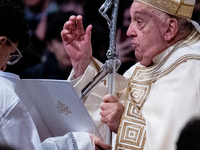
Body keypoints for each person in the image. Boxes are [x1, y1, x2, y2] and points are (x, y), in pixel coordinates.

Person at [61, 0, 200, 149]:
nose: (129, 31)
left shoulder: (191, 72)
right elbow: (106, 114)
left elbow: (180, 143)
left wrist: (124, 123)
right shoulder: (151, 61)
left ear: (170, 28)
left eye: (139, 21)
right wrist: (83, 64)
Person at [0, 0, 111, 149]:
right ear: (2, 42)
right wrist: (78, 143)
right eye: (11, 55)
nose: (5, 65)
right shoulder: (6, 94)